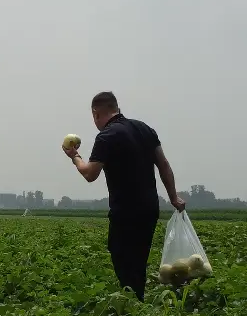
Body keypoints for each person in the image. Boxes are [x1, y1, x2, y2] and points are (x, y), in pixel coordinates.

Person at [63, 91, 186, 301]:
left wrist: (75, 157)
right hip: (149, 208)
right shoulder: (145, 129)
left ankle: (133, 304)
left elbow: (90, 174)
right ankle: (138, 299)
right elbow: (163, 165)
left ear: (96, 113)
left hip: (126, 210)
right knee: (138, 259)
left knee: (121, 256)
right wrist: (174, 197)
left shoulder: (107, 136)